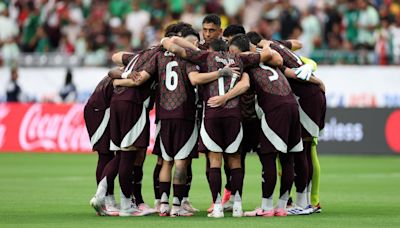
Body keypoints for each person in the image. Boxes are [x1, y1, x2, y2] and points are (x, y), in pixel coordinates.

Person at [247, 31, 325, 214]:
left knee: (303, 151)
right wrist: (311, 67)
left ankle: (304, 203)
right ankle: (304, 201)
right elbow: (298, 44)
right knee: (304, 151)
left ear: (255, 45)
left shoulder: (267, 52)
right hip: (308, 97)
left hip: (305, 97)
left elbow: (290, 71)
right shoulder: (275, 43)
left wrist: (316, 80)